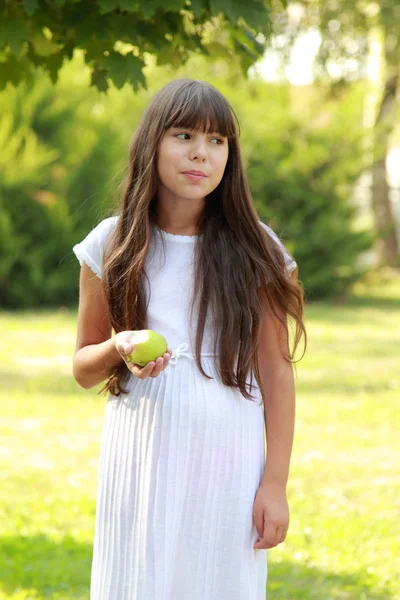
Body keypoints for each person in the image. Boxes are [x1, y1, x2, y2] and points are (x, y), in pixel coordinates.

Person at [72, 78, 307, 600]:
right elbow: (84, 366)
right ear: (152, 142)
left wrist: (274, 482)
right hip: (142, 451)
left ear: (230, 156)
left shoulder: (255, 248)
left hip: (229, 453)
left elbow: (275, 368)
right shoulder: (110, 244)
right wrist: (119, 346)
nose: (201, 153)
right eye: (184, 135)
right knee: (139, 581)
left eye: (217, 141)